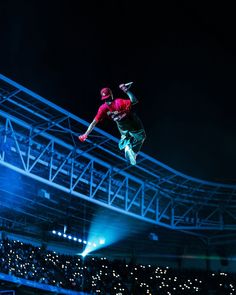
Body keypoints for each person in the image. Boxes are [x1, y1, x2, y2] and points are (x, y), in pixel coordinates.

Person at [78, 83, 146, 165]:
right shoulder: (119, 102)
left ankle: (127, 146)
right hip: (131, 121)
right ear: (111, 95)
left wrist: (85, 134)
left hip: (121, 125)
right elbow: (134, 101)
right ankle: (133, 152)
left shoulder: (102, 108)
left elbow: (93, 123)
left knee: (125, 136)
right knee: (141, 137)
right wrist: (126, 90)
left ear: (103, 98)